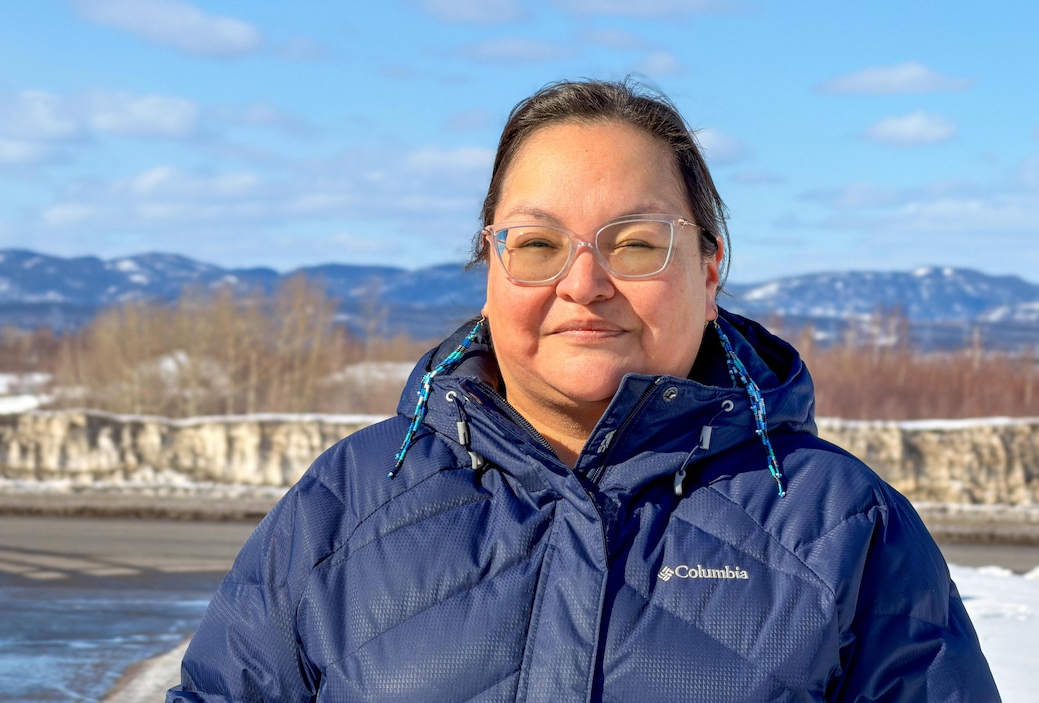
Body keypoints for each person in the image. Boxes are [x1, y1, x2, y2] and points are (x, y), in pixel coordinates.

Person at [168, 79, 998, 702]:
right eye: (537, 243)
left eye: (636, 244)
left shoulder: (842, 526)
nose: (584, 281)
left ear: (709, 271)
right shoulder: (346, 504)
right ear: (490, 271)